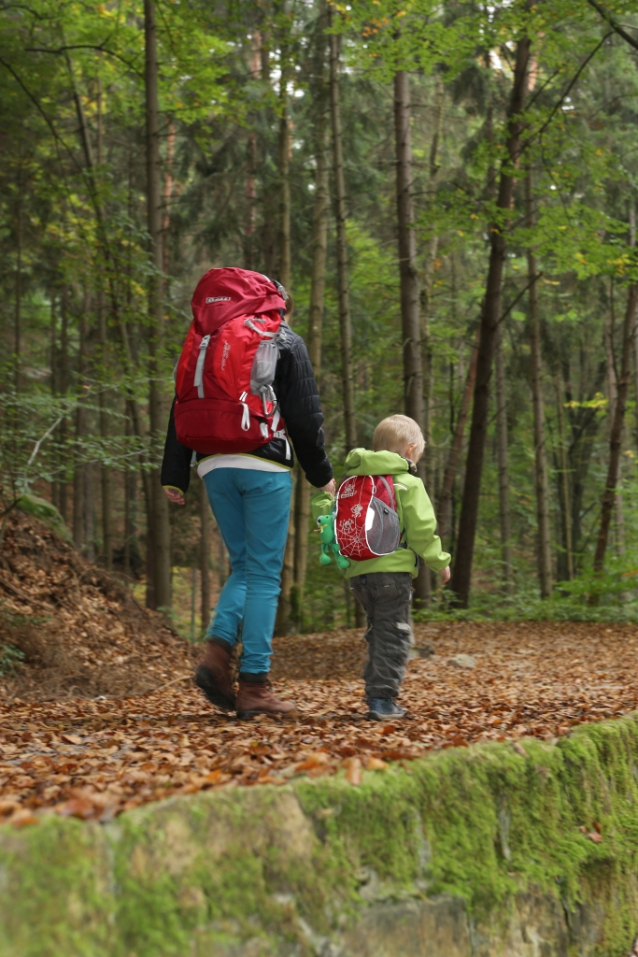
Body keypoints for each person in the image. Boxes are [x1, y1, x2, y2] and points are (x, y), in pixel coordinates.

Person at [162, 278, 334, 719]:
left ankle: (217, 659)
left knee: (244, 567)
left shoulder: (205, 339)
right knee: (263, 576)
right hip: (264, 462)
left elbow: (180, 404)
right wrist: (322, 476)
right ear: (279, 306)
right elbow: (304, 414)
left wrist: (175, 473)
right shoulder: (282, 337)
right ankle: (254, 685)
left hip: (212, 462)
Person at [312, 414, 450, 721]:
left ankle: (377, 690)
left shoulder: (353, 482)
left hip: (358, 573)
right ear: (411, 450)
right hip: (393, 573)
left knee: (379, 631)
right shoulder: (406, 482)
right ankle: (382, 700)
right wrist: (439, 561)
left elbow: (329, 516)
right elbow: (422, 530)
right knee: (394, 634)